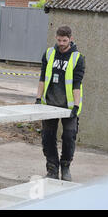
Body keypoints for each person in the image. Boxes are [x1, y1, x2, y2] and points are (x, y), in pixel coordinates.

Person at [35, 25, 85, 181]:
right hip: (49, 103)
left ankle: (65, 166)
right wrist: (38, 98)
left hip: (69, 106)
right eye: (59, 40)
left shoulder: (77, 58)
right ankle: (52, 169)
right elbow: (43, 77)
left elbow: (76, 83)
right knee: (48, 137)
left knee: (69, 136)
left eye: (65, 40)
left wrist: (76, 106)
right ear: (56, 38)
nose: (61, 43)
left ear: (71, 39)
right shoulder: (49, 53)